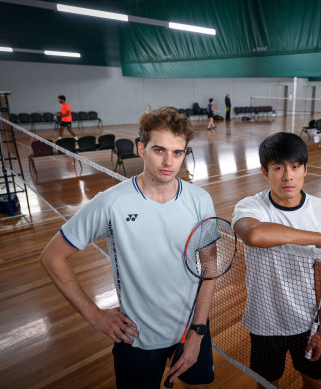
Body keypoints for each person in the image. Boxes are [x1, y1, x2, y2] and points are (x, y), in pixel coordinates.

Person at [40, 106, 217, 388]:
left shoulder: (200, 200)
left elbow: (209, 264)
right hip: (136, 339)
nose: (169, 161)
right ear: (141, 149)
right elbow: (52, 257)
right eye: (159, 150)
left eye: (177, 152)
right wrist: (95, 315)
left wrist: (198, 331)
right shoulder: (111, 203)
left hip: (191, 330)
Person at [232, 132, 321, 388]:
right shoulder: (250, 207)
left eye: (295, 167)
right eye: (278, 167)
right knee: (268, 385)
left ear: (305, 170)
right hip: (265, 325)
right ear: (264, 171)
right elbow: (255, 234)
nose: (288, 176)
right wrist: (317, 238)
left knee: (318, 385)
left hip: (308, 323)